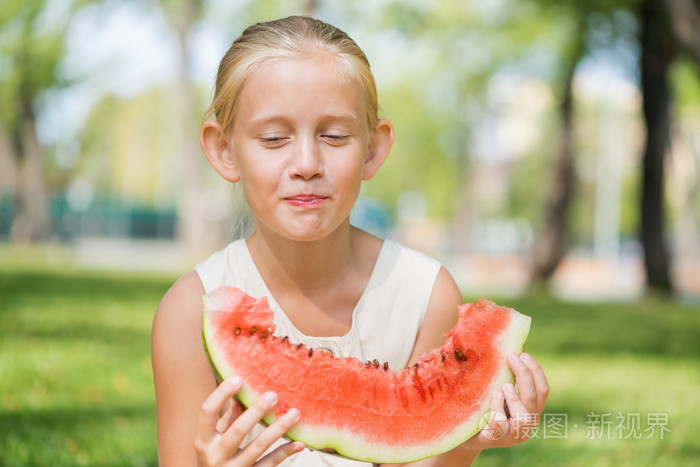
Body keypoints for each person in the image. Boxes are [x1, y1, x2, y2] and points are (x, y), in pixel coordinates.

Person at [152, 15, 548, 467]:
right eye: (274, 138)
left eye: (334, 136)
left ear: (373, 149)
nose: (306, 163)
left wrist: (466, 436)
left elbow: (418, 445)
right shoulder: (191, 310)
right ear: (225, 151)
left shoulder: (424, 295)